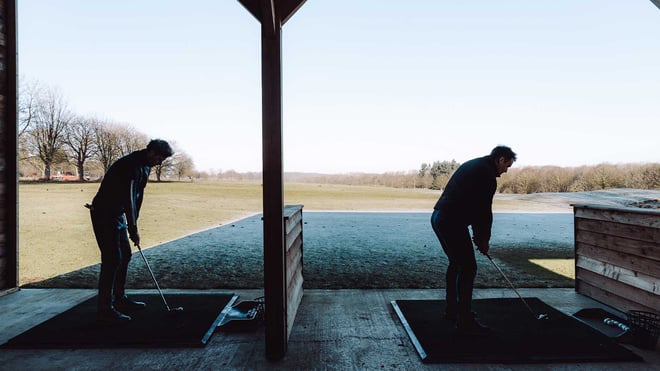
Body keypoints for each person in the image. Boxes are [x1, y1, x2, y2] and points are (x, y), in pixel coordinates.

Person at [430, 145, 516, 334]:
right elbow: (483, 211)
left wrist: (479, 238)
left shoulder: (475, 165)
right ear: (500, 159)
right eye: (506, 166)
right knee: (468, 267)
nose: (505, 171)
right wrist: (483, 240)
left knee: (456, 263)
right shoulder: (486, 175)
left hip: (439, 217)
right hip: (451, 221)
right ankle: (464, 319)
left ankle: (453, 310)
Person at [87, 139, 174, 323]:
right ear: (150, 151)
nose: (160, 162)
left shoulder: (146, 167)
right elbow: (128, 198)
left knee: (125, 254)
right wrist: (133, 228)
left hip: (117, 214)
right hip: (104, 213)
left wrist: (134, 224)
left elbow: (138, 197)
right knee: (112, 259)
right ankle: (105, 309)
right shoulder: (131, 165)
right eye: (159, 158)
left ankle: (120, 299)